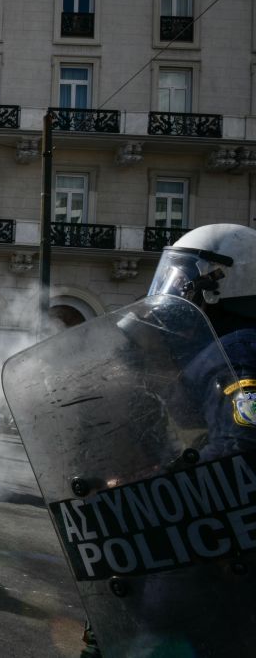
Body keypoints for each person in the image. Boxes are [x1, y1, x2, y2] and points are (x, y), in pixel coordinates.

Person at [77, 223, 256, 657]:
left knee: (151, 625)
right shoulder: (223, 347)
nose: (175, 289)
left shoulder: (234, 354)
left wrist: (151, 485)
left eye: (184, 277)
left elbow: (238, 452)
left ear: (218, 283)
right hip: (218, 543)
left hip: (209, 548)